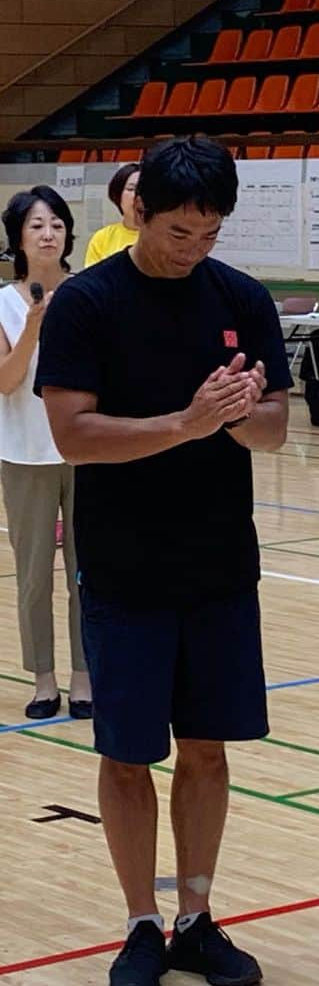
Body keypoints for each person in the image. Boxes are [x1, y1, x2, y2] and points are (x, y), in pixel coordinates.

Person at [36, 136, 292, 986]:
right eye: (181, 232)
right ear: (139, 209)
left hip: (220, 559)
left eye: (211, 234)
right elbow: (72, 432)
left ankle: (197, 915)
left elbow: (273, 429)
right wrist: (183, 423)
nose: (195, 249)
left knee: (209, 749)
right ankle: (141, 923)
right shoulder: (88, 303)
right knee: (125, 752)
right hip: (122, 563)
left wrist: (240, 413)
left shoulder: (244, 300)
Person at [0, 186, 88, 719]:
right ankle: (44, 679)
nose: (48, 233)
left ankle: (84, 676)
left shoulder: (90, 294)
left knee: (89, 570)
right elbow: (7, 383)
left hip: (85, 452)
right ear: (19, 238)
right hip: (24, 456)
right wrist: (32, 327)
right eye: (36, 225)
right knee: (34, 574)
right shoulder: (4, 304)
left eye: (56, 223)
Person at [84, 163, 140, 268]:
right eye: (131, 189)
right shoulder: (102, 238)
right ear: (118, 196)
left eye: (143, 190)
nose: (137, 196)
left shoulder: (161, 236)